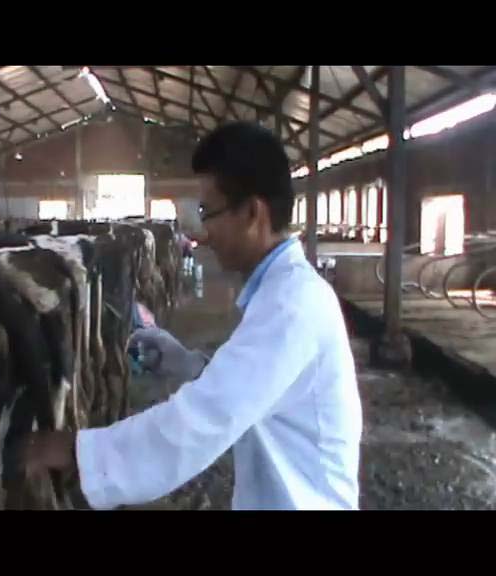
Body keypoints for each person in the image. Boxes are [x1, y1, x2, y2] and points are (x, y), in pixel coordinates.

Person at [18, 121, 363, 510]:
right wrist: (187, 364)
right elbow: (251, 388)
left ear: (252, 213)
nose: (205, 232)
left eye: (208, 211)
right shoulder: (283, 294)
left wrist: (76, 452)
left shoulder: (292, 305)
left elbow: (205, 419)